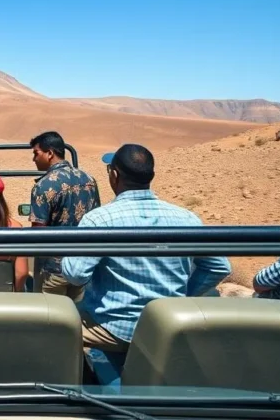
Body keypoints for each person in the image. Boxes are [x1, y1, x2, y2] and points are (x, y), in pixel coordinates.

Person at [61, 144, 232, 353]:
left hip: (112, 329)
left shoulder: (99, 219)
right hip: (166, 326)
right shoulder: (187, 218)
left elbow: (75, 275)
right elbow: (219, 266)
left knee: (55, 330)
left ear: (114, 175)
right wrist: (183, 297)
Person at [28, 131, 101, 301]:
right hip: (82, 265)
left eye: (36, 153)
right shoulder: (89, 179)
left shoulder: (44, 185)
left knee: (48, 317)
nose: (33, 159)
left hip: (54, 269)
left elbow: (39, 232)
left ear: (50, 153)